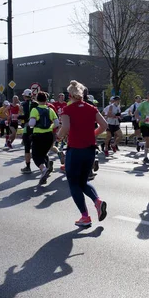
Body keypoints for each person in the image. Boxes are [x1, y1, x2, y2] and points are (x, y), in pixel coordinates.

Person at [57, 80, 108, 228]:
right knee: (83, 181)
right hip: (90, 150)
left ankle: (85, 217)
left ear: (70, 95)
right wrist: (93, 134)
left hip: (75, 150)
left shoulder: (68, 110)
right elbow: (104, 125)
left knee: (73, 183)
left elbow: (65, 127)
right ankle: (97, 202)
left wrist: (59, 136)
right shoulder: (91, 108)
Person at [28, 91, 59, 184]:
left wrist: (33, 125)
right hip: (49, 136)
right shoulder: (50, 110)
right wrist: (50, 127)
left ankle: (43, 169)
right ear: (46, 100)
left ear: (37, 100)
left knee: (36, 155)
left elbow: (31, 124)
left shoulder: (35, 110)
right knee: (44, 153)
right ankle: (46, 168)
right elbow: (57, 123)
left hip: (38, 136)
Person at [20, 90, 39, 173]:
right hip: (36, 128)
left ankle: (28, 167)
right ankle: (46, 163)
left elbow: (26, 116)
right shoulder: (36, 103)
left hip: (27, 127)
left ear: (25, 96)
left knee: (27, 147)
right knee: (38, 147)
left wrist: (18, 116)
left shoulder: (24, 104)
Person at [135, 91, 149, 164]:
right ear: (148, 96)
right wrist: (139, 118)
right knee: (147, 139)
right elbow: (136, 112)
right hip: (144, 124)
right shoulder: (143, 104)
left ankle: (141, 144)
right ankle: (145, 157)